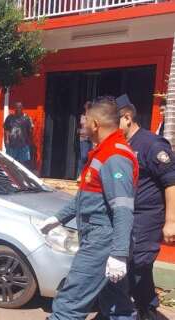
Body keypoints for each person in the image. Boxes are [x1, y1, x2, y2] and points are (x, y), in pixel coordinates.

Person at [41, 96, 138, 320]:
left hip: (103, 240)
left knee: (69, 302)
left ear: (95, 124)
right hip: (101, 238)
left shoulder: (115, 156)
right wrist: (57, 218)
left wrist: (119, 254)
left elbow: (123, 209)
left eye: (85, 119)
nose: (82, 124)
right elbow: (85, 197)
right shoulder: (102, 152)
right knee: (116, 304)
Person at [117, 94, 175, 319]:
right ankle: (147, 307)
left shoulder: (151, 144)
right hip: (129, 216)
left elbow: (171, 182)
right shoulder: (123, 144)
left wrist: (171, 221)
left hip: (147, 218)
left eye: (116, 122)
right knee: (137, 265)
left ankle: (139, 309)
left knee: (138, 264)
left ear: (128, 118)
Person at [3, 102, 33, 169]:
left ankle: (22, 178)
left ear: (22, 108)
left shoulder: (27, 118)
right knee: (10, 163)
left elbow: (30, 131)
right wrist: (7, 140)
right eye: (16, 107)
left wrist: (29, 143)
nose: (18, 109)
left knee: (23, 164)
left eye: (19, 107)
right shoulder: (9, 118)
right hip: (12, 144)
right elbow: (6, 129)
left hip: (23, 145)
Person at [77, 101, 93, 177]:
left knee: (89, 156)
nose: (87, 109)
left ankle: (86, 174)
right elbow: (82, 127)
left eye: (89, 107)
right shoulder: (83, 116)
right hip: (84, 138)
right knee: (83, 156)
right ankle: (80, 173)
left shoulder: (92, 116)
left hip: (91, 138)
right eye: (87, 107)